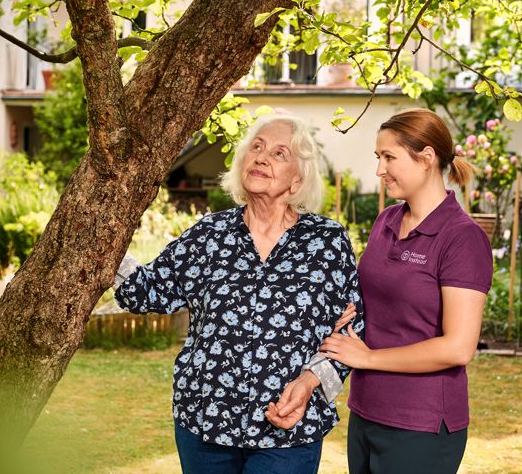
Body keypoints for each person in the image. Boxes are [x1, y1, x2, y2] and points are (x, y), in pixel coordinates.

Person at [115, 112, 363, 474]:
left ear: (297, 180)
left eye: (280, 154)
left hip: (288, 429)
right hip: (205, 423)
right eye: (256, 147)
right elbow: (147, 291)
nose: (261, 157)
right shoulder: (209, 235)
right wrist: (101, 242)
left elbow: (355, 326)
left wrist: (312, 381)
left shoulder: (326, 241)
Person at [320, 108, 493, 474]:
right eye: (377, 158)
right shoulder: (387, 220)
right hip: (366, 411)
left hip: (421, 423)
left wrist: (367, 358)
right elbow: (373, 299)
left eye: (389, 157)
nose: (379, 170)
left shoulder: (462, 238)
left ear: (427, 158)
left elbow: (459, 347)